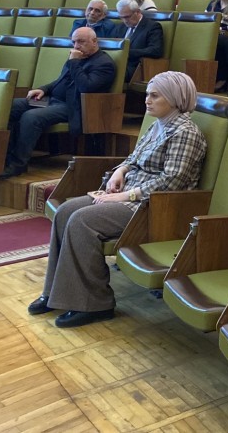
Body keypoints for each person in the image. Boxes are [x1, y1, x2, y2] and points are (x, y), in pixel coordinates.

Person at [28, 72, 207, 327]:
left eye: (155, 96)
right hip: (131, 197)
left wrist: (124, 195)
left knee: (82, 221)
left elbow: (172, 181)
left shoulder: (185, 132)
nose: (147, 100)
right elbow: (134, 158)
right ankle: (56, 292)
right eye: (147, 94)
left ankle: (96, 303)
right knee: (65, 211)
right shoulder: (158, 125)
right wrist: (120, 171)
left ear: (175, 98)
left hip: (154, 207)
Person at [1, 28, 115, 177]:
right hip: (52, 100)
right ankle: (3, 158)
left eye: (81, 42)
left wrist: (74, 62)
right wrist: (43, 89)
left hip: (73, 107)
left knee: (31, 117)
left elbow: (86, 87)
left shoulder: (104, 64)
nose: (76, 46)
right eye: (74, 42)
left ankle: (17, 164)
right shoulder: (77, 57)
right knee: (8, 107)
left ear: (94, 41)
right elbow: (61, 80)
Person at [116, 0, 164, 80]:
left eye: (127, 17)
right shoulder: (121, 27)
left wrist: (127, 52)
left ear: (138, 12)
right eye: (121, 17)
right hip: (118, 64)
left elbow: (155, 50)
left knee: (106, 72)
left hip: (137, 67)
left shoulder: (152, 27)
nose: (125, 21)